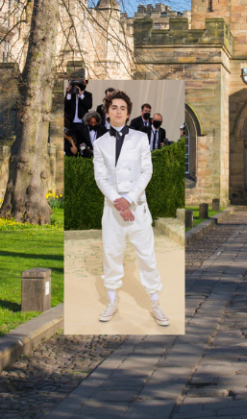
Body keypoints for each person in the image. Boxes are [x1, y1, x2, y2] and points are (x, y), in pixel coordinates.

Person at [92, 91, 169, 327]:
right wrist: (118, 201)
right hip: (112, 210)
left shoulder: (140, 138)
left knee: (146, 256)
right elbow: (100, 177)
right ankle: (112, 301)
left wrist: (130, 200)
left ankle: (155, 302)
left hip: (138, 209)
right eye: (114, 107)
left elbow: (147, 172)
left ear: (128, 112)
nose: (118, 111)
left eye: (122, 107)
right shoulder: (100, 143)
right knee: (112, 255)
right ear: (107, 112)